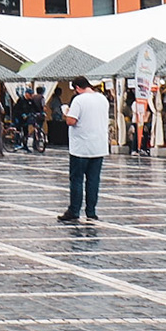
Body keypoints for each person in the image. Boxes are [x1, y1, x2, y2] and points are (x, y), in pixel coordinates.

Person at [58, 75, 109, 223]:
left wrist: (66, 112)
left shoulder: (79, 100)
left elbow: (71, 121)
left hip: (81, 147)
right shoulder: (102, 99)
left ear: (77, 88)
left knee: (77, 180)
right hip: (99, 146)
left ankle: (74, 210)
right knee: (93, 180)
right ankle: (91, 212)